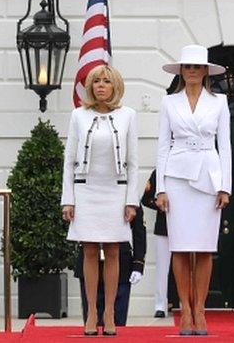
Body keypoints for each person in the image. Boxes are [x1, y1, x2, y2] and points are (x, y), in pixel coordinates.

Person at [155, 44, 231, 336]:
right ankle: (184, 310)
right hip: (176, 177)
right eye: (188, 67)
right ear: (181, 71)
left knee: (204, 248)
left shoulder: (219, 102)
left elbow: (225, 146)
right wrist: (160, 187)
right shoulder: (168, 103)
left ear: (206, 71)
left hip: (209, 179)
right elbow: (162, 146)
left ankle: (200, 308)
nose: (192, 72)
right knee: (181, 247)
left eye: (197, 67)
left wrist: (225, 186)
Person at [60, 65, 140, 336]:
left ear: (115, 86)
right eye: (96, 82)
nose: (101, 86)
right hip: (86, 191)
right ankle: (92, 311)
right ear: (90, 86)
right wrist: (67, 200)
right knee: (90, 250)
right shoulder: (78, 115)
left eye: (106, 81)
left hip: (116, 192)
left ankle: (110, 312)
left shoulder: (128, 115)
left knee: (115, 251)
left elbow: (133, 162)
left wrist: (132, 202)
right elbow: (69, 160)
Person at [75, 205, 146, 328]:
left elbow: (139, 232)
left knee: (117, 321)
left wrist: (138, 265)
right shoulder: (85, 192)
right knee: (92, 322)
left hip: (120, 265)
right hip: (90, 262)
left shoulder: (127, 194)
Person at [142, 168, 171, 318]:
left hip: (185, 225)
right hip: (164, 226)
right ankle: (160, 305)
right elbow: (146, 199)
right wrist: (161, 206)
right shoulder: (159, 171)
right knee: (162, 267)